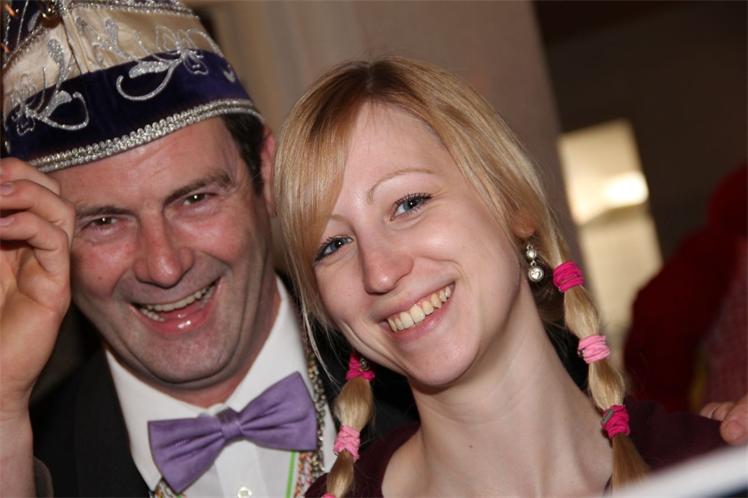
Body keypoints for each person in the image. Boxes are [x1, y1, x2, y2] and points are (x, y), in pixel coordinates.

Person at [0, 2, 414, 496]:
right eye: (104, 222)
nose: (164, 266)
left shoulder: (425, 379)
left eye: (195, 199)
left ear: (266, 173)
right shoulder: (21, 459)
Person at [272, 57, 735, 497]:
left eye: (409, 204)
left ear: (514, 205)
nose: (380, 272)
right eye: (333, 245)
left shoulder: (715, 469)